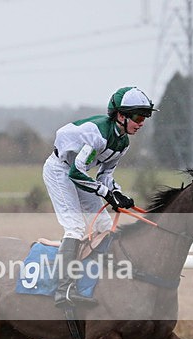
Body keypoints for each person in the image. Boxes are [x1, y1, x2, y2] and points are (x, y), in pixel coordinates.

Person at [42, 86, 157, 307]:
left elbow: (105, 176)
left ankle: (98, 284)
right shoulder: (98, 135)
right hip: (59, 170)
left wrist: (118, 193)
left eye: (146, 117)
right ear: (121, 116)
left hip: (78, 172)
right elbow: (76, 172)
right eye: (138, 116)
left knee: (105, 227)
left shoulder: (123, 143)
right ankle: (64, 290)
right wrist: (107, 194)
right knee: (75, 227)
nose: (142, 122)